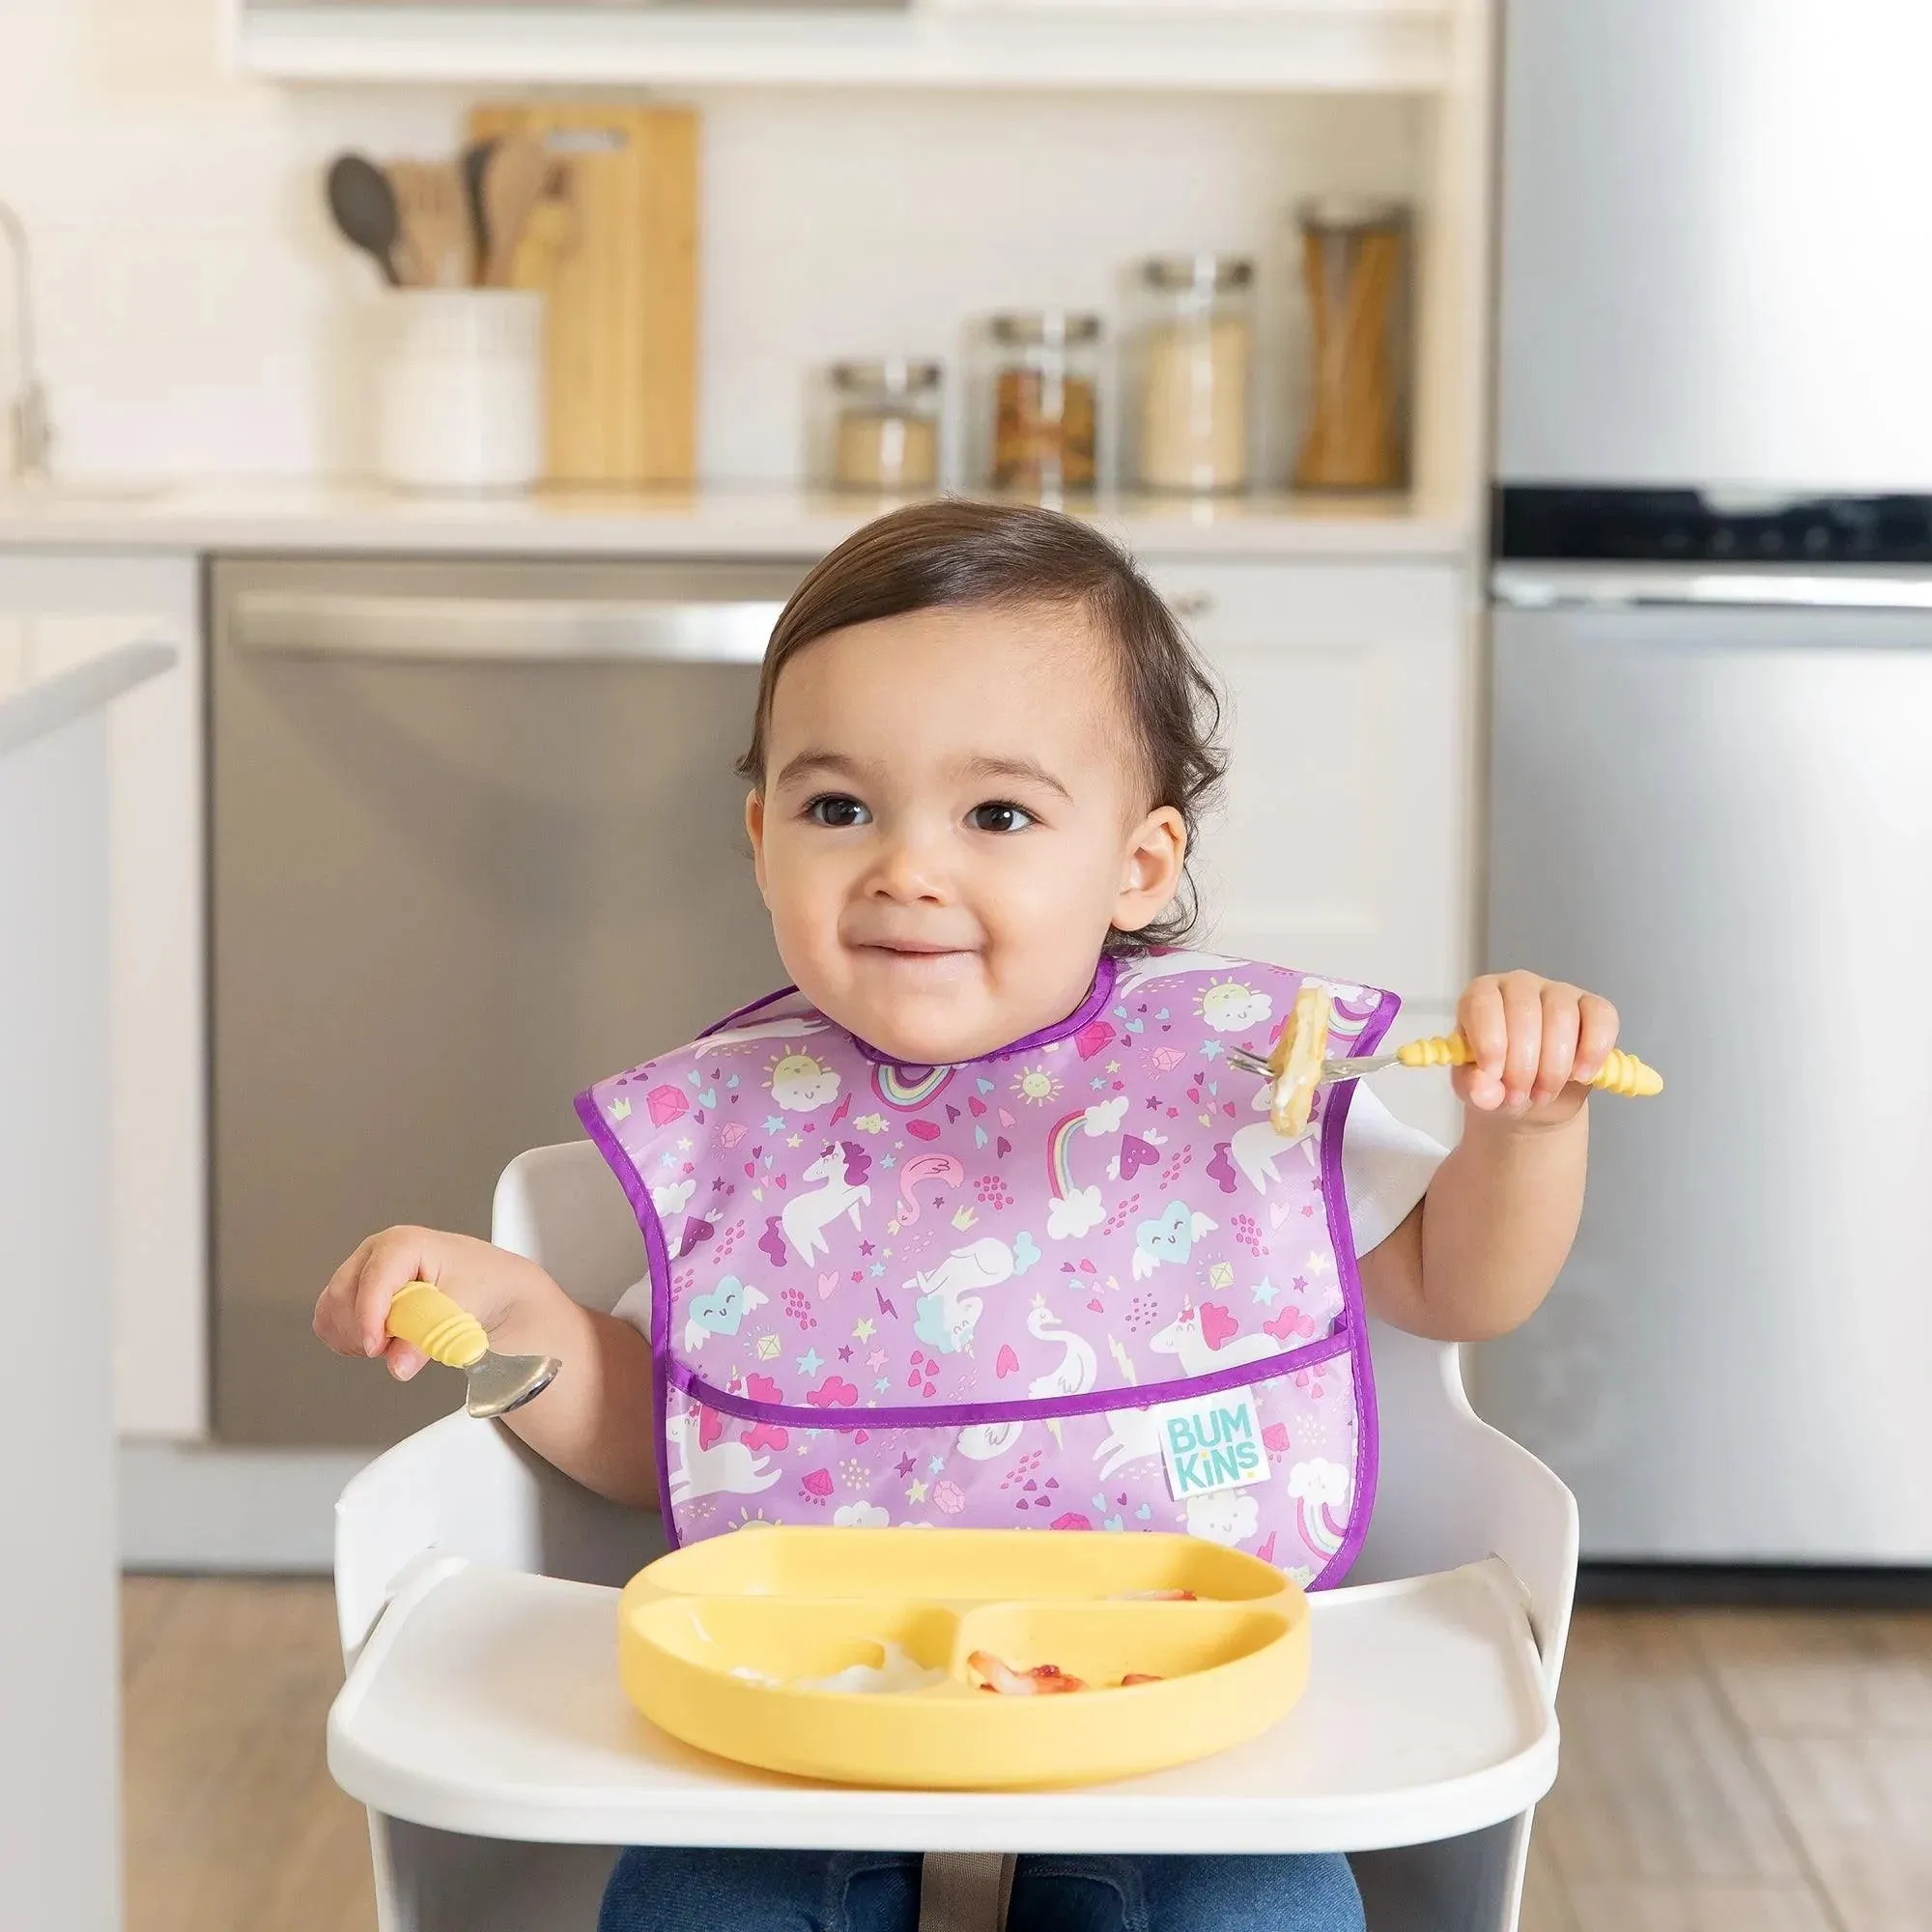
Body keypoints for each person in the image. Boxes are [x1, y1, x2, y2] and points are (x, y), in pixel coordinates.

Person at [315, 500, 1621, 1932]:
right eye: (837, 808)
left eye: (995, 814)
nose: (905, 867)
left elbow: (1463, 1285)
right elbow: (679, 1435)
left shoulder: (1227, 1082)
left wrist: (1528, 1125)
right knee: (689, 1907)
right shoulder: (747, 1124)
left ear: (1137, 862)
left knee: (1268, 1914)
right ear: (761, 839)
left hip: (1175, 1708)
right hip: (803, 1709)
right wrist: (521, 1323)